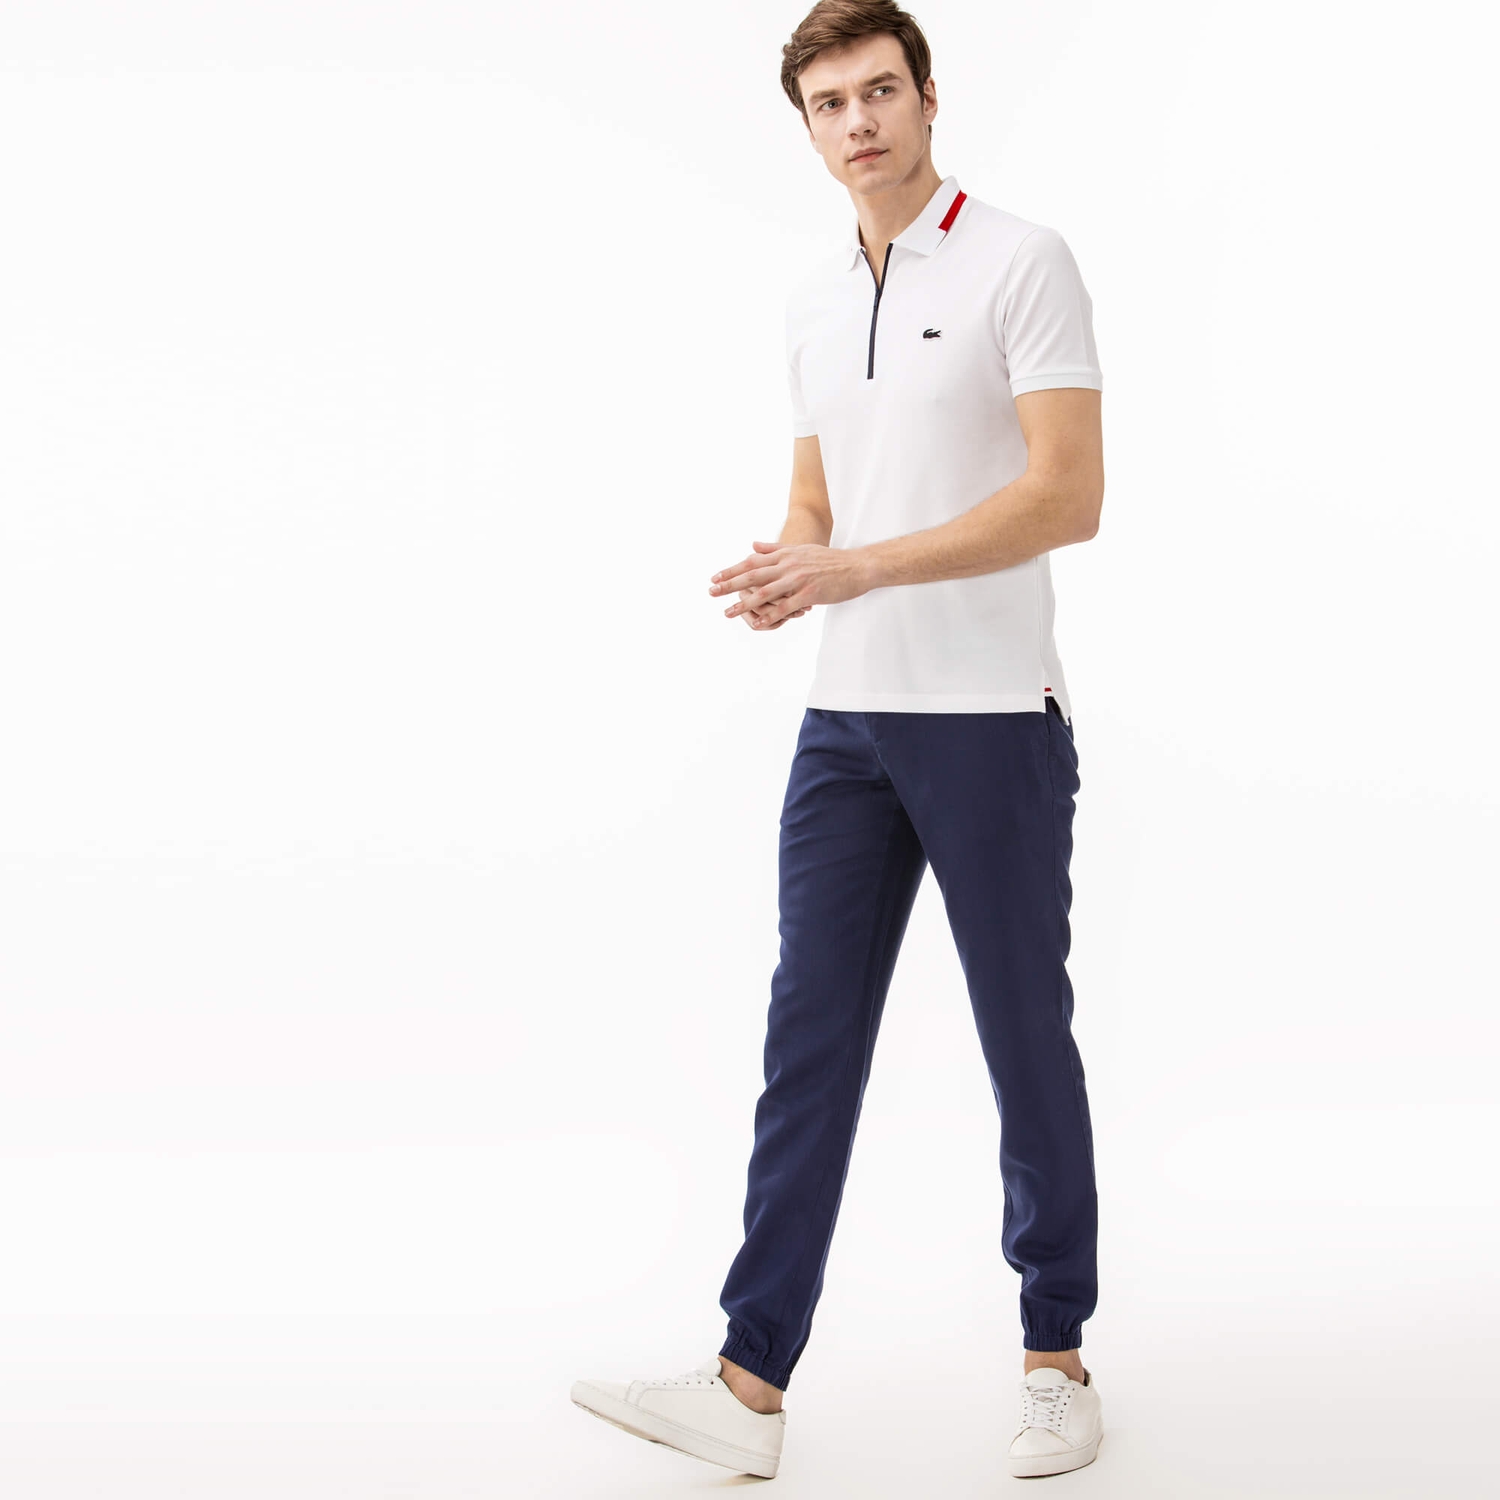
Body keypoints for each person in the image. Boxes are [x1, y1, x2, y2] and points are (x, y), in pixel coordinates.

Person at [572, 0, 1105, 1480]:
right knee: (805, 1044)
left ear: (928, 97)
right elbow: (820, 499)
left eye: (880, 90)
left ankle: (1057, 1359)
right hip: (848, 725)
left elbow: (1068, 495)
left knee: (1023, 1041)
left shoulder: (1023, 261)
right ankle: (748, 1386)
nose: (859, 120)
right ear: (806, 130)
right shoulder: (813, 301)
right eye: (829, 103)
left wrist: (856, 566)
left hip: (989, 717)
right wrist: (791, 563)